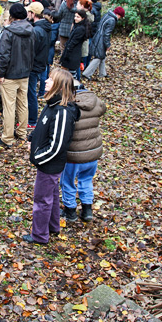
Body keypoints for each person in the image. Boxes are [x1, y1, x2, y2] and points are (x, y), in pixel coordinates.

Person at [24, 68, 80, 245]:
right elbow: (42, 126)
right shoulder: (52, 105)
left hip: (50, 164)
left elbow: (56, 145)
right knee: (52, 195)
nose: (46, 81)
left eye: (50, 79)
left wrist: (37, 157)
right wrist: (31, 138)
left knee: (42, 199)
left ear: (59, 86)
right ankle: (53, 226)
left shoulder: (62, 112)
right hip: (47, 163)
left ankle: (39, 235)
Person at [60, 84, 105, 222]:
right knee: (86, 180)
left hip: (73, 154)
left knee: (67, 181)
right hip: (92, 153)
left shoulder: (69, 104)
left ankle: (70, 211)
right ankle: (87, 209)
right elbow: (103, 110)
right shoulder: (96, 101)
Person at [0, 3, 36, 147]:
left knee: (9, 106)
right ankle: (22, 133)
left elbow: (4, 56)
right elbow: (32, 52)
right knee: (23, 105)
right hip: (25, 73)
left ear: (11, 16)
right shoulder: (31, 30)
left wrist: (1, 73)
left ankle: (7, 138)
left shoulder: (8, 32)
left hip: (10, 75)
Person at [27, 2, 53, 128]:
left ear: (33, 13)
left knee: (30, 93)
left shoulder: (37, 30)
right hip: (40, 64)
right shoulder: (45, 27)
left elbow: (32, 50)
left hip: (34, 66)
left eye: (29, 12)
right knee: (32, 92)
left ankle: (32, 121)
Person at [84, 7, 122, 79]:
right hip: (101, 40)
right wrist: (107, 45)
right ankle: (87, 73)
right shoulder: (112, 20)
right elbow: (107, 34)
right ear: (118, 15)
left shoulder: (107, 15)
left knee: (102, 56)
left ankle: (102, 73)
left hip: (97, 37)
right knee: (99, 57)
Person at [60, 10, 89, 82]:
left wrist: (66, 55)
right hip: (73, 54)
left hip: (72, 55)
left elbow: (72, 43)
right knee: (72, 74)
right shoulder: (78, 26)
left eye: (78, 17)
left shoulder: (80, 29)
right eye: (75, 16)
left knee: (72, 76)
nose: (75, 18)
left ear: (82, 18)